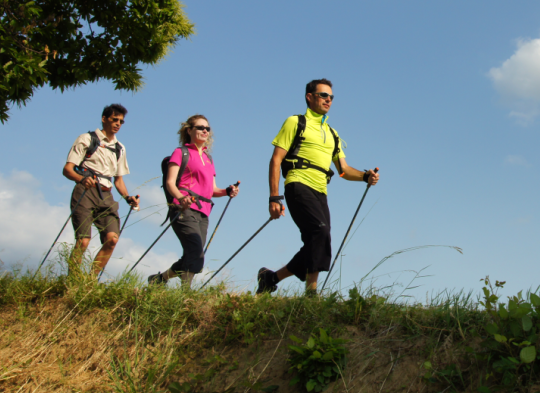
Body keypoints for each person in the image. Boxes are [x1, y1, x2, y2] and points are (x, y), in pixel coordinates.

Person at [258, 79, 380, 295]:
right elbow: (276, 159)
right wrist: (274, 197)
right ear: (309, 97)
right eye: (324, 95)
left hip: (321, 191)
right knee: (320, 232)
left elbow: (343, 169)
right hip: (298, 183)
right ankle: (311, 294)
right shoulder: (295, 122)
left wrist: (364, 176)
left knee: (319, 240)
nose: (328, 100)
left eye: (331, 97)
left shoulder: (333, 134)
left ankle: (271, 278)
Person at [148, 114, 240, 288]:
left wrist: (227, 191)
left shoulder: (208, 158)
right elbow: (170, 182)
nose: (205, 131)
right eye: (200, 127)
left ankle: (159, 280)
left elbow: (212, 190)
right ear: (189, 130)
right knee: (196, 253)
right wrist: (181, 198)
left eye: (207, 128)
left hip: (204, 211)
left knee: (193, 254)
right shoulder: (181, 152)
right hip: (183, 208)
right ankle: (186, 295)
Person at [63, 104, 140, 276]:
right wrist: (82, 179)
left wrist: (128, 197)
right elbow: (67, 169)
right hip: (85, 191)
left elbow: (118, 179)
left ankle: (90, 280)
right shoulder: (87, 139)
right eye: (114, 120)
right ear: (104, 119)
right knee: (83, 241)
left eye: (121, 121)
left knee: (112, 239)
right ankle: (74, 281)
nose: (118, 124)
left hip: (106, 194)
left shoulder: (120, 148)